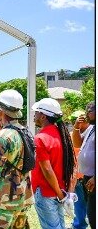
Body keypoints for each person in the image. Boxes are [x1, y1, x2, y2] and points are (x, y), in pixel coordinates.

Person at [0, 89, 34, 229]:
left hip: (5, 200)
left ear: (1, 111)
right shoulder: (25, 131)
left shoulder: (3, 136)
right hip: (24, 196)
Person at [31, 98, 77, 229]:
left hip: (47, 192)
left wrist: (59, 193)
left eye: (36, 113)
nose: (34, 116)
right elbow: (73, 164)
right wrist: (67, 193)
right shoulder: (63, 135)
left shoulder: (40, 138)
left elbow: (47, 170)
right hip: (61, 191)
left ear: (43, 116)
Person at [72, 101, 95, 229]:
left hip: (94, 178)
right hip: (88, 178)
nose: (86, 114)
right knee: (91, 214)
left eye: (89, 111)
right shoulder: (92, 128)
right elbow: (77, 144)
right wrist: (76, 127)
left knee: (93, 215)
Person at [69, 110, 89, 229]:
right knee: (79, 205)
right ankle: (78, 226)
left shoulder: (90, 135)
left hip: (88, 176)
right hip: (76, 177)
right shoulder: (71, 135)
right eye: (73, 121)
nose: (75, 123)